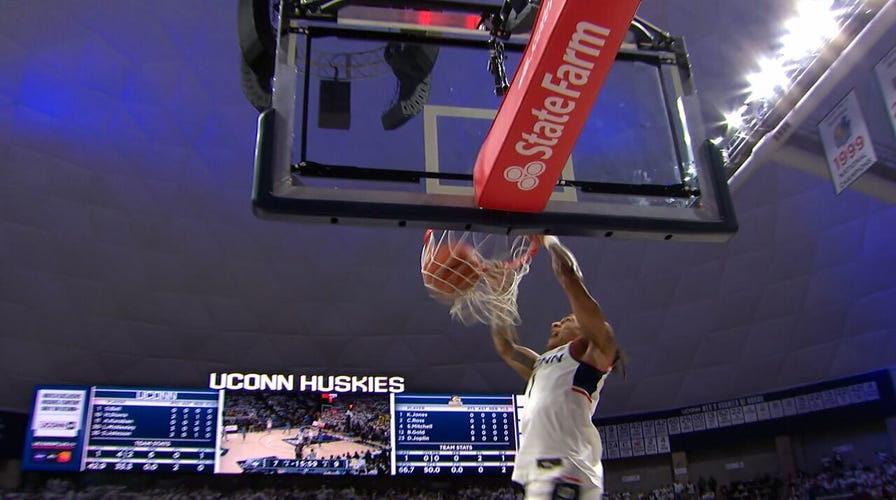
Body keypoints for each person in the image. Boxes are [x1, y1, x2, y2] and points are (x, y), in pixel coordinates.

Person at [490, 235, 621, 500]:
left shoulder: (591, 353)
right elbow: (506, 346)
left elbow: (570, 278)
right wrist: (499, 295)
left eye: (565, 320)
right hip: (546, 472)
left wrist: (548, 238)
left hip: (565, 467)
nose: (555, 324)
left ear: (583, 327)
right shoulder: (540, 366)